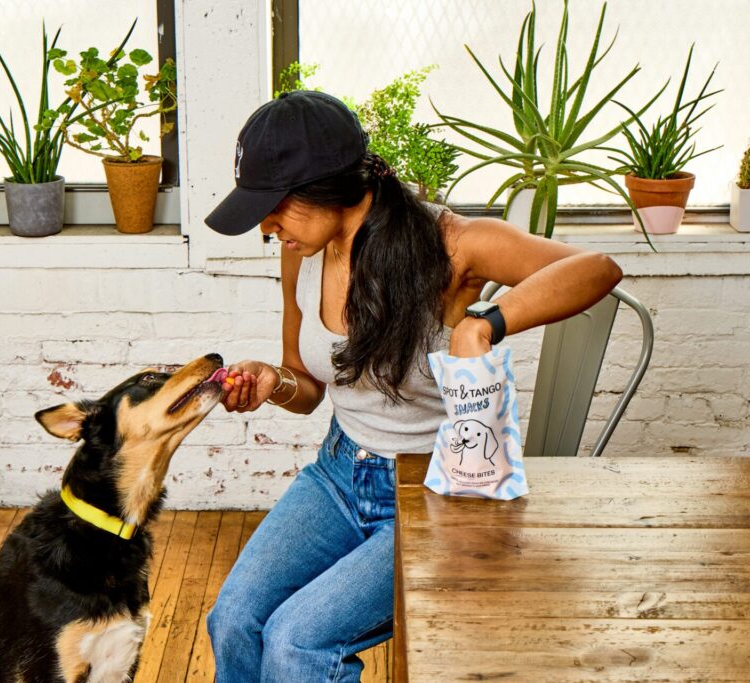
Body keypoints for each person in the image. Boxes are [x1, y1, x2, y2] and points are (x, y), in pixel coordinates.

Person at [201, 90, 623, 682]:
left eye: (275, 205)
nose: (267, 226)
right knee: (235, 617)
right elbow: (310, 390)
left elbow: (598, 267)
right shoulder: (302, 250)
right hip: (339, 472)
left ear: (330, 185)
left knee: (298, 642)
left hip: (432, 492)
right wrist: (274, 381)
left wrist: (484, 323)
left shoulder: (450, 244)